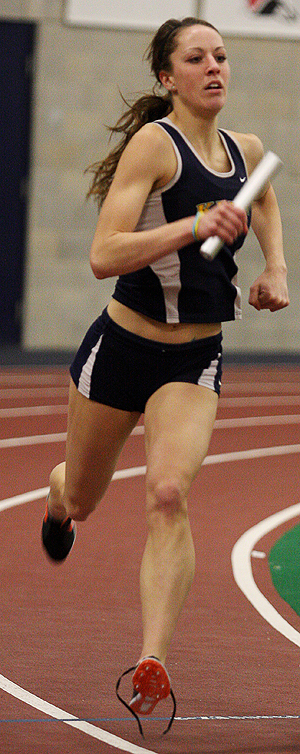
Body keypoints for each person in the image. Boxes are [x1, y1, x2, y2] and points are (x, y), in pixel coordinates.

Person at [41, 16, 289, 735]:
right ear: (166, 77)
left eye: (221, 55)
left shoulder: (247, 151)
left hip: (195, 356)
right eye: (196, 57)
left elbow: (263, 194)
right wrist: (196, 225)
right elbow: (104, 253)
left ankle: (151, 660)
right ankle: (58, 501)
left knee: (170, 491)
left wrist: (275, 268)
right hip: (122, 348)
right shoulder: (155, 146)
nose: (214, 66)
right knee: (84, 497)